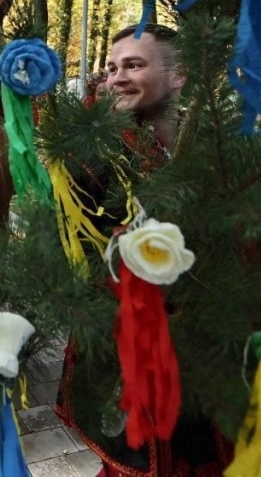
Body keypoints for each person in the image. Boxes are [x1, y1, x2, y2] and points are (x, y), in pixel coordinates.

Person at [57, 24, 231, 476]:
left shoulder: (216, 150)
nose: (116, 77)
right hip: (133, 358)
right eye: (112, 68)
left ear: (178, 76)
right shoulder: (95, 155)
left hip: (214, 358)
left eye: (133, 65)